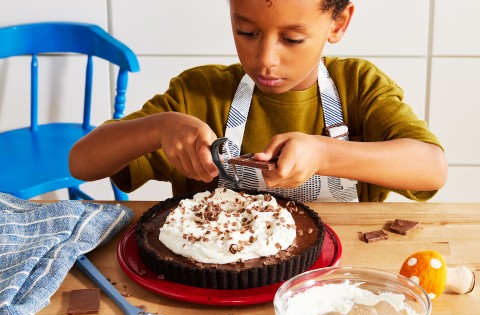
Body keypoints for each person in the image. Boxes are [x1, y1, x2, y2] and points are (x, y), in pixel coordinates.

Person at [69, 0, 447, 202]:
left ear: (338, 23)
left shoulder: (358, 86)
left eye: (293, 38)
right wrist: (158, 127)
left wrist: (325, 154)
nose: (265, 58)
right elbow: (81, 163)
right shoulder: (197, 93)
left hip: (331, 283)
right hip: (217, 291)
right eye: (246, 31)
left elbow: (431, 169)